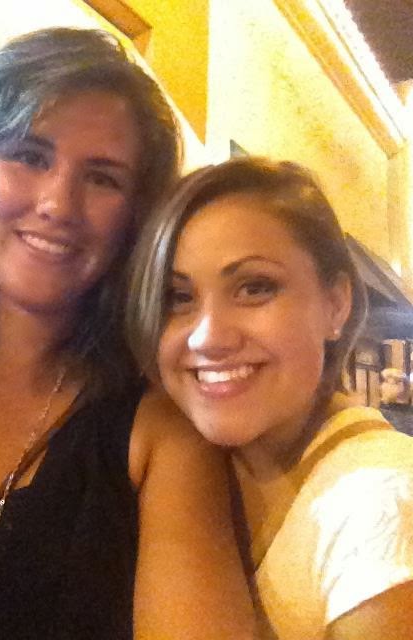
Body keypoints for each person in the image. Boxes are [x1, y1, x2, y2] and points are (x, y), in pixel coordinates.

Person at [0, 28, 257, 639]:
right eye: (29, 155)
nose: (58, 204)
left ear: (137, 219)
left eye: (103, 178)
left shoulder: (159, 434)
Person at [127, 156, 413, 640]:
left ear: (335, 304)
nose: (208, 337)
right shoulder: (191, 467)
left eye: (254, 288)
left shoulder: (378, 506)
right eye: (178, 297)